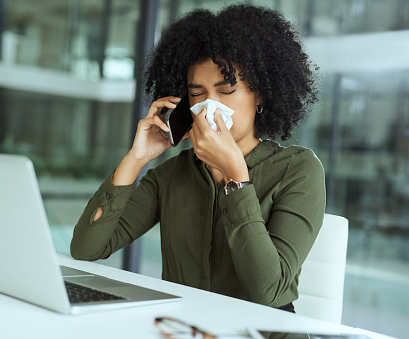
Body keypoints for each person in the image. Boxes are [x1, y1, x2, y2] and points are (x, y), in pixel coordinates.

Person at [71, 4, 325, 312]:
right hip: (185, 329)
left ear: (261, 93)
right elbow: (86, 248)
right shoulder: (171, 174)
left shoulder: (298, 170)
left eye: (226, 90)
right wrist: (136, 158)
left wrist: (234, 177)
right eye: (197, 93)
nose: (210, 106)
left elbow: (267, 292)